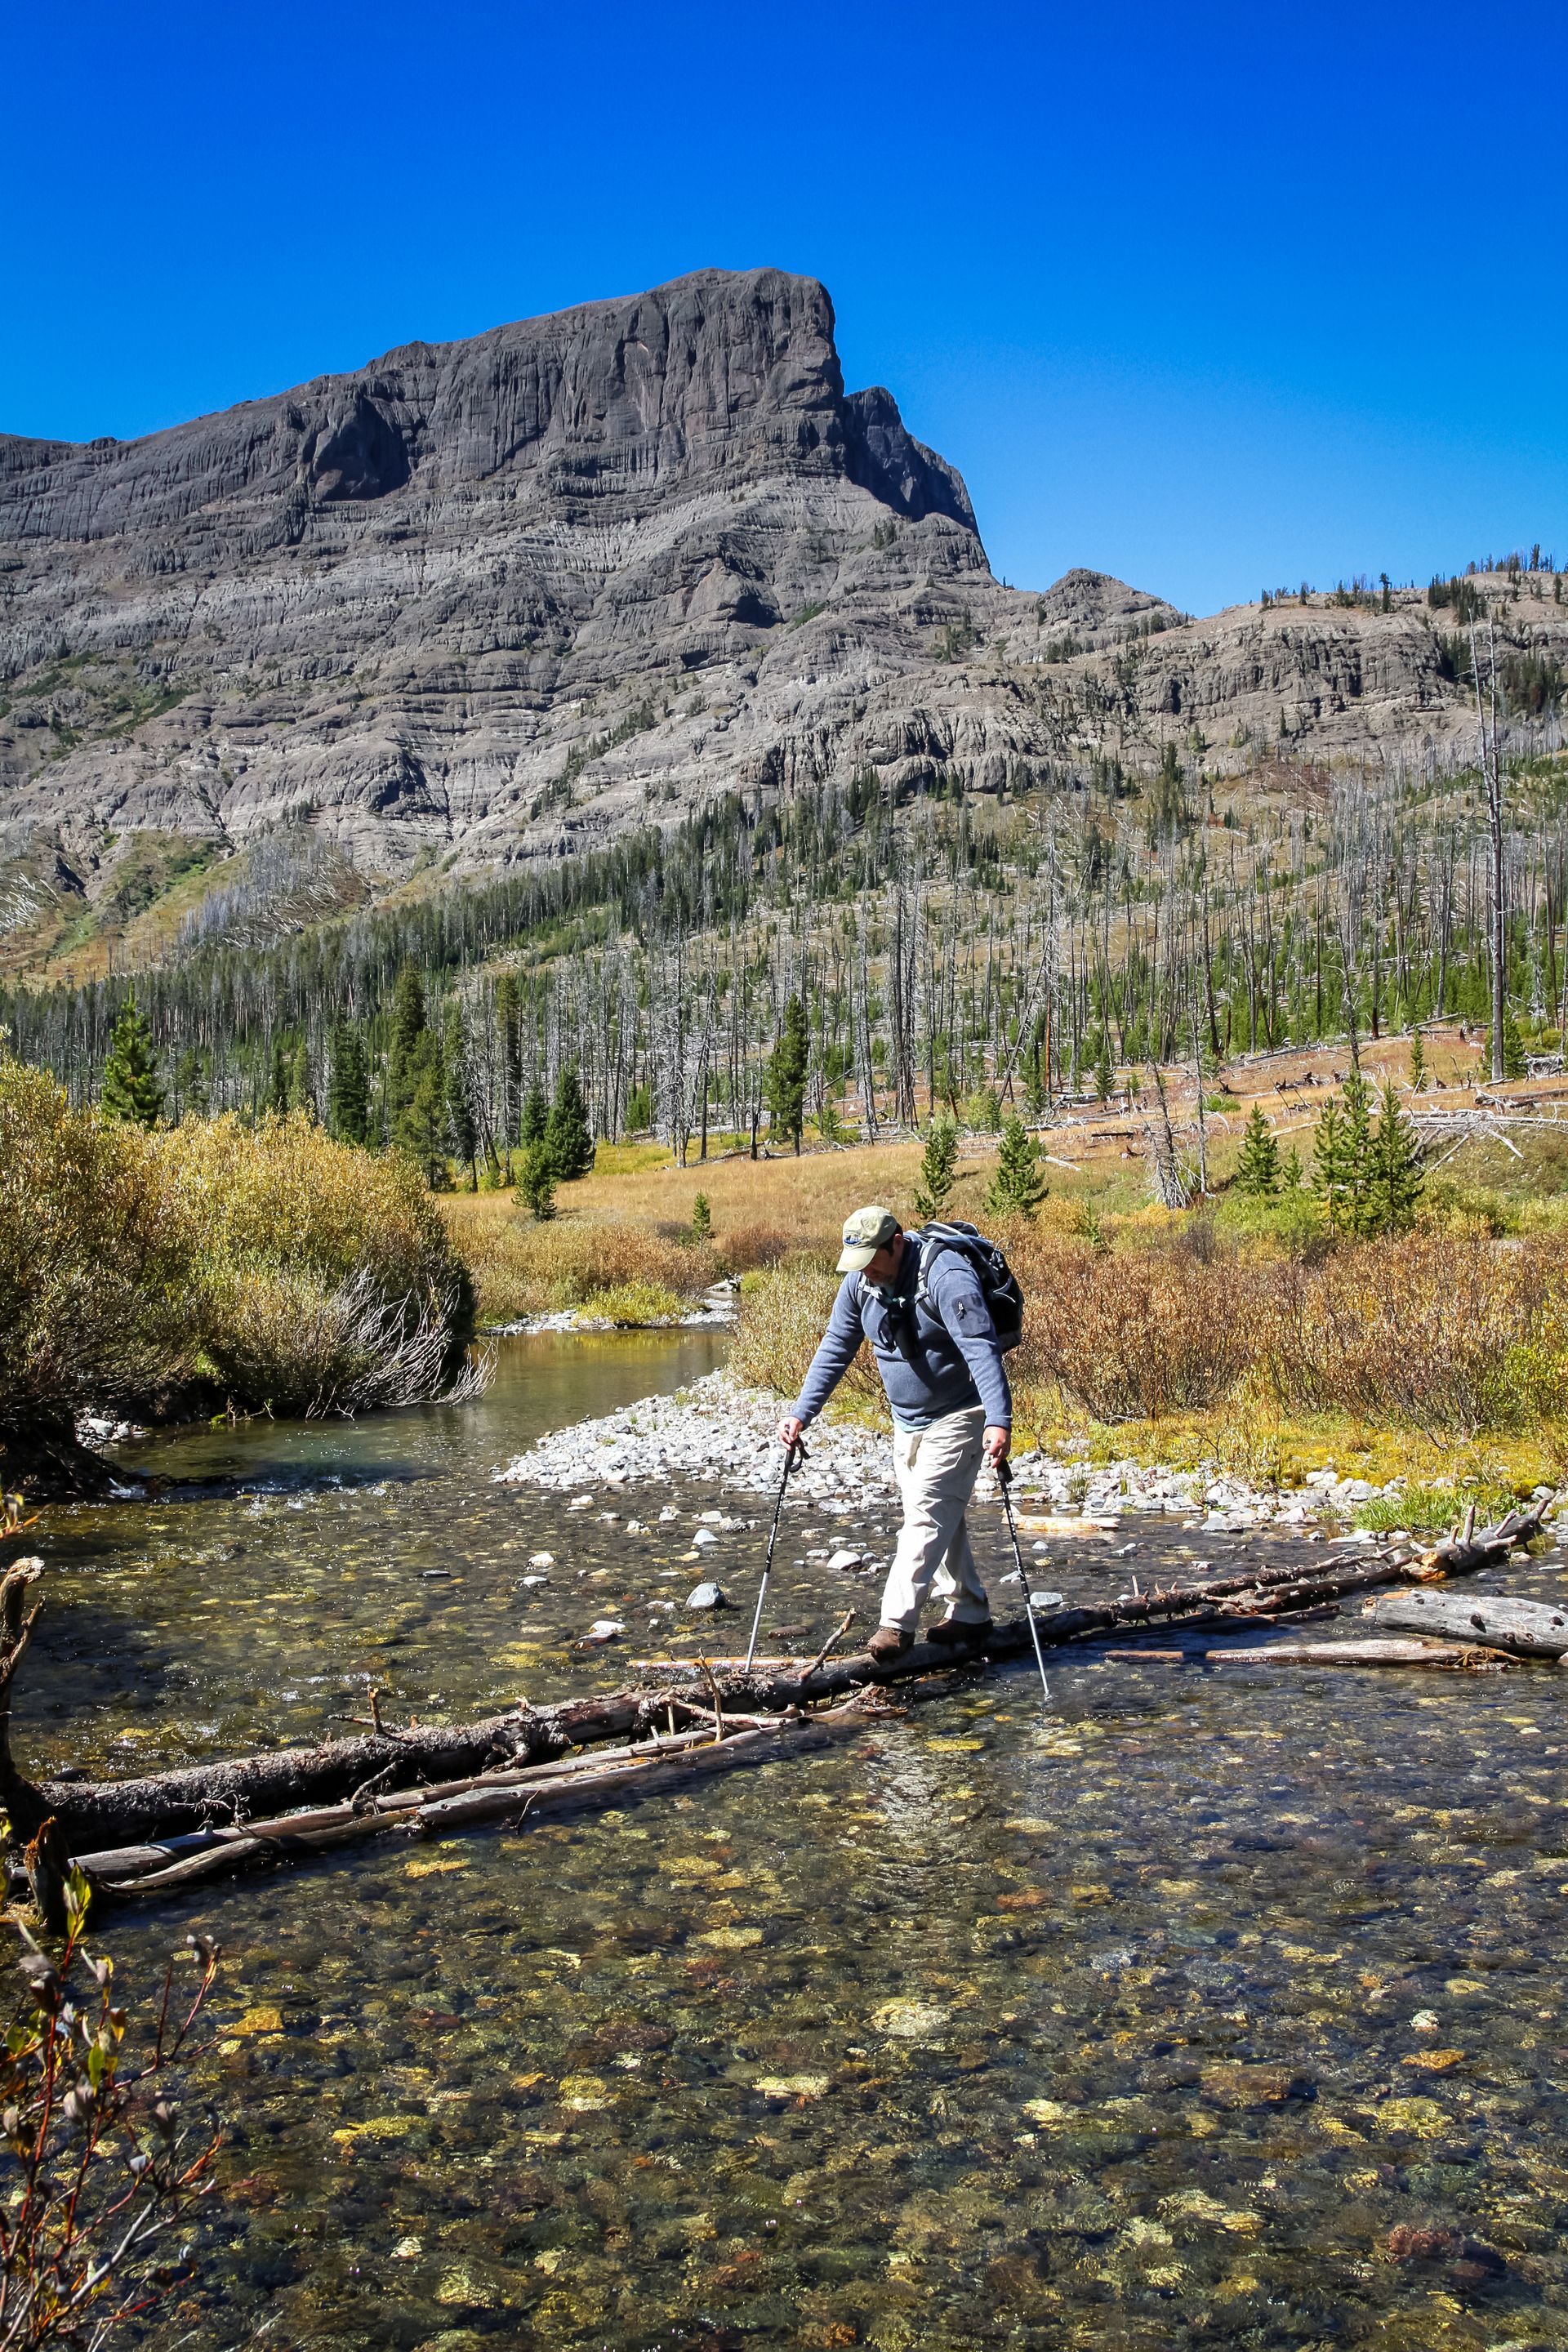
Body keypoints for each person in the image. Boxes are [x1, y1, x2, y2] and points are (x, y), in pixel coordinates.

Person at [777, 1205, 1010, 1661]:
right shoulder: (860, 1282)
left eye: (872, 1261)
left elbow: (981, 1349)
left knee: (925, 1519)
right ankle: (971, 1613)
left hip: (961, 1413)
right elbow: (836, 1347)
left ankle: (895, 1625)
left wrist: (999, 1420)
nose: (865, 1273)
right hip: (907, 1421)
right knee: (943, 1518)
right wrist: (801, 1413)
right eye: (857, 1263)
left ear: (897, 1244)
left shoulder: (946, 1276)